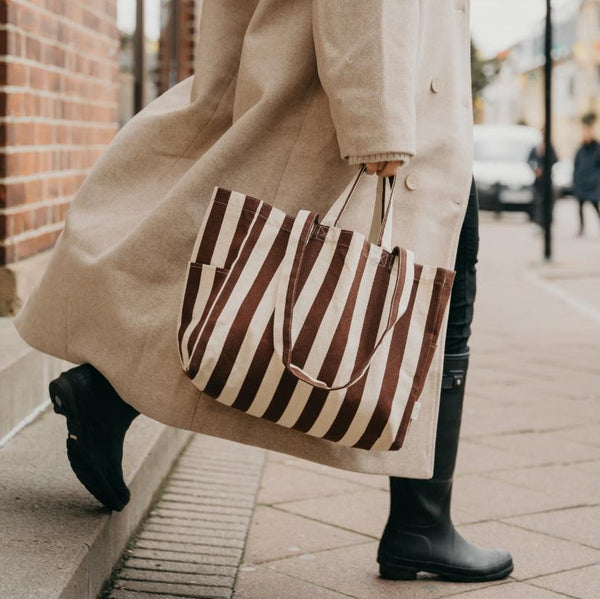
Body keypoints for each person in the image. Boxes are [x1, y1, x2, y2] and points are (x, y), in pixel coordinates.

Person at [13, 1, 513, 582]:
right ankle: (421, 527)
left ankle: (107, 397)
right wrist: (377, 116)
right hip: (354, 85)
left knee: (244, 268)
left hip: (330, 74)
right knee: (416, 288)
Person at [573, 112, 600, 236]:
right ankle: (581, 228)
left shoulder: (597, 149)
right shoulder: (580, 149)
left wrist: (595, 179)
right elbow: (576, 165)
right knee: (580, 207)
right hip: (582, 182)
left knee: (595, 206)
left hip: (592, 183)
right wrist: (576, 179)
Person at [528, 128, 558, 228]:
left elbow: (555, 160)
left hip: (547, 180)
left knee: (547, 202)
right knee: (538, 202)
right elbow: (530, 160)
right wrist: (535, 169)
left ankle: (546, 223)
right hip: (538, 181)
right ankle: (538, 222)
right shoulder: (537, 147)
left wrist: (544, 169)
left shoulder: (550, 147)